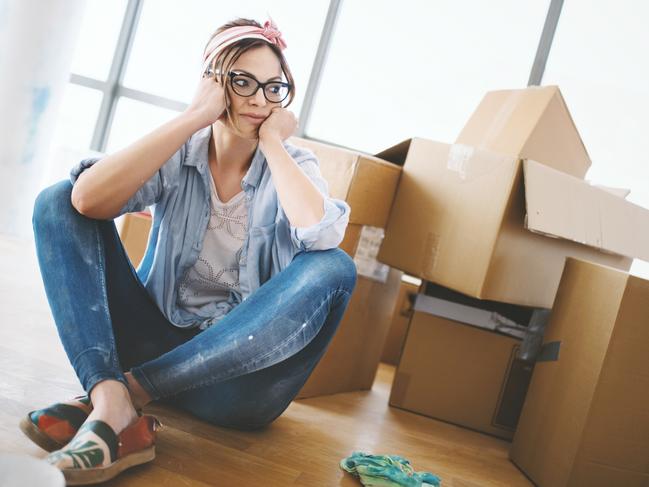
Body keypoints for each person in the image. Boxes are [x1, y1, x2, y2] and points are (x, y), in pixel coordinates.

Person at [23, 16, 357, 484]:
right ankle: (109, 396)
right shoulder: (182, 151)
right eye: (243, 82)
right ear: (213, 84)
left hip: (235, 383)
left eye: (273, 87)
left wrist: (276, 144)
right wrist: (192, 117)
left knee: (334, 268)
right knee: (57, 198)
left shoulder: (293, 164)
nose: (260, 100)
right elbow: (86, 200)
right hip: (149, 342)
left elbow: (322, 236)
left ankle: (127, 398)